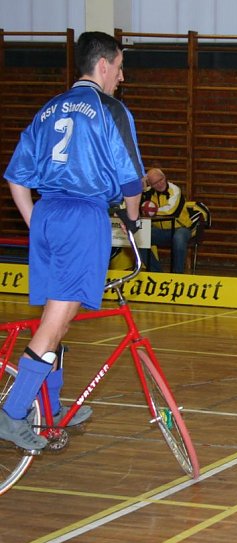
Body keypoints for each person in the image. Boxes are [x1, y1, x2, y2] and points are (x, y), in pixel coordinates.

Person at [0, 31, 145, 450]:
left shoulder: (47, 110)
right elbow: (131, 181)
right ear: (103, 65)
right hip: (83, 216)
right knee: (55, 323)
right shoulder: (110, 109)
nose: (121, 77)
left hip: (46, 214)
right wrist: (131, 223)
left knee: (54, 317)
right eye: (119, 68)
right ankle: (12, 413)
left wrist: (36, 221)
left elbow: (16, 177)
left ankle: (53, 407)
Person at [141, 167, 192, 273]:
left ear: (165, 177)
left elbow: (171, 210)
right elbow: (138, 208)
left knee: (179, 238)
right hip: (161, 231)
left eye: (161, 180)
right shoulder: (147, 193)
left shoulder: (175, 190)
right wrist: (142, 188)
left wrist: (152, 211)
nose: (160, 184)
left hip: (180, 228)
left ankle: (177, 275)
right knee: (140, 237)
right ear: (150, 184)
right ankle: (156, 272)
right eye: (155, 183)